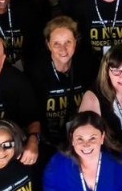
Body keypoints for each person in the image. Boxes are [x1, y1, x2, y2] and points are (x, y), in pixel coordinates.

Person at [29, 16, 96, 151]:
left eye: (68, 42)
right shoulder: (35, 72)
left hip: (80, 139)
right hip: (46, 142)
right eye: (57, 44)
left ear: (75, 42)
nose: (63, 49)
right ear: (48, 45)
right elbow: (31, 114)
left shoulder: (87, 66)